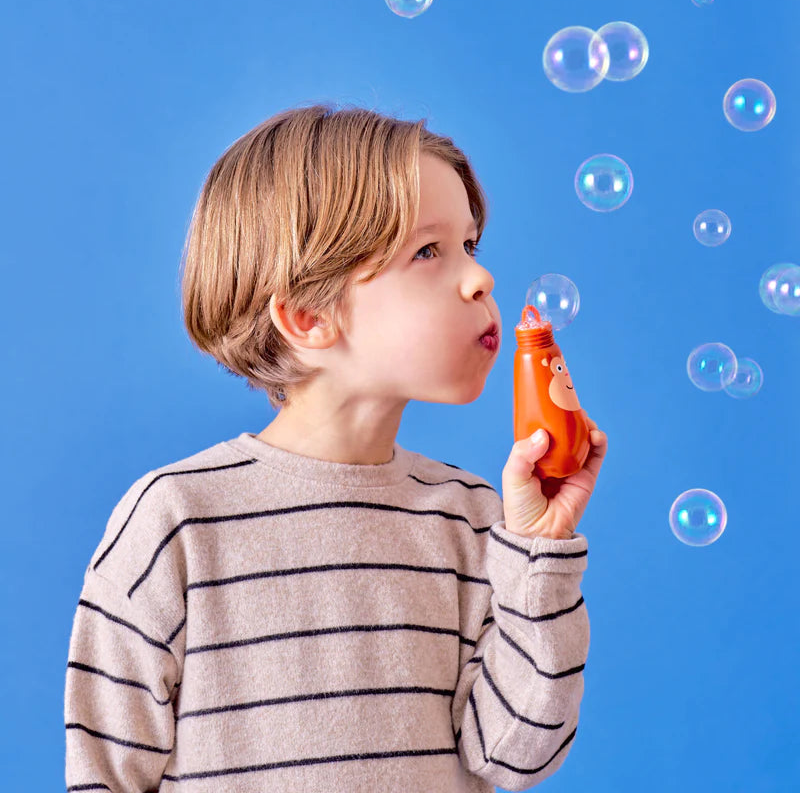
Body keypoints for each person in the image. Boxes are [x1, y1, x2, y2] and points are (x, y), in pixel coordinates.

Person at [64, 103, 607, 792]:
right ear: (307, 317)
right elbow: (104, 774)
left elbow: (517, 756)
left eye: (471, 246)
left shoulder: (474, 517)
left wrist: (538, 551)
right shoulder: (177, 520)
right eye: (428, 252)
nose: (480, 279)